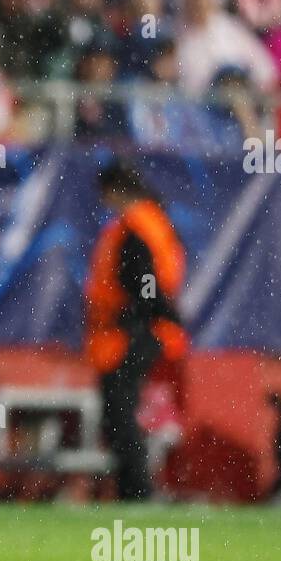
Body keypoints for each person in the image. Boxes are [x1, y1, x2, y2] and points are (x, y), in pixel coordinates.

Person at [84, 159, 187, 502]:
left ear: (115, 192)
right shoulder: (152, 220)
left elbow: (142, 281)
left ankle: (138, 489)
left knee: (120, 412)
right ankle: (135, 487)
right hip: (145, 328)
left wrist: (137, 318)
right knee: (121, 413)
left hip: (131, 333)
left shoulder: (134, 227)